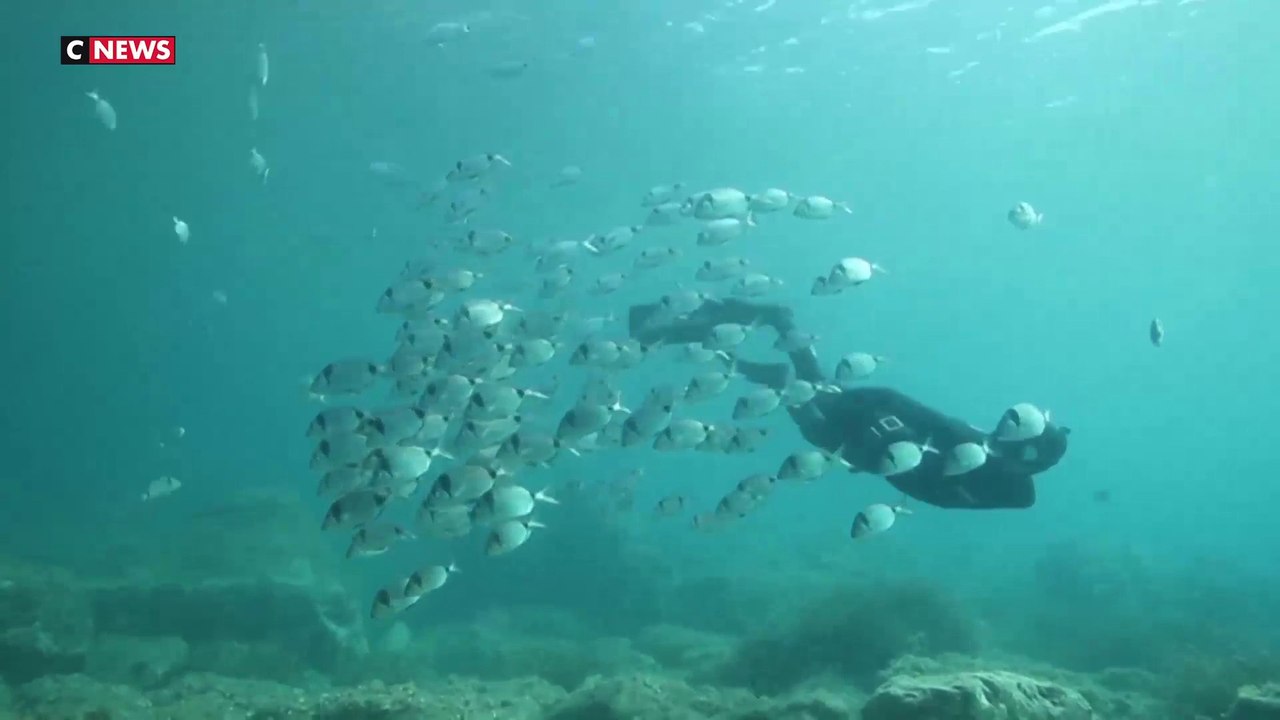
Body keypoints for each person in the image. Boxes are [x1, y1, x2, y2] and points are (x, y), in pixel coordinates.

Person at [628, 297, 1070, 510]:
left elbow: (940, 483)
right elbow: (932, 437)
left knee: (798, 382)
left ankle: (706, 336)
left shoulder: (1012, 484)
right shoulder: (988, 450)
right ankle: (682, 336)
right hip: (863, 435)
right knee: (795, 381)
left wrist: (886, 426)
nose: (1002, 427)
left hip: (869, 438)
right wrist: (879, 410)